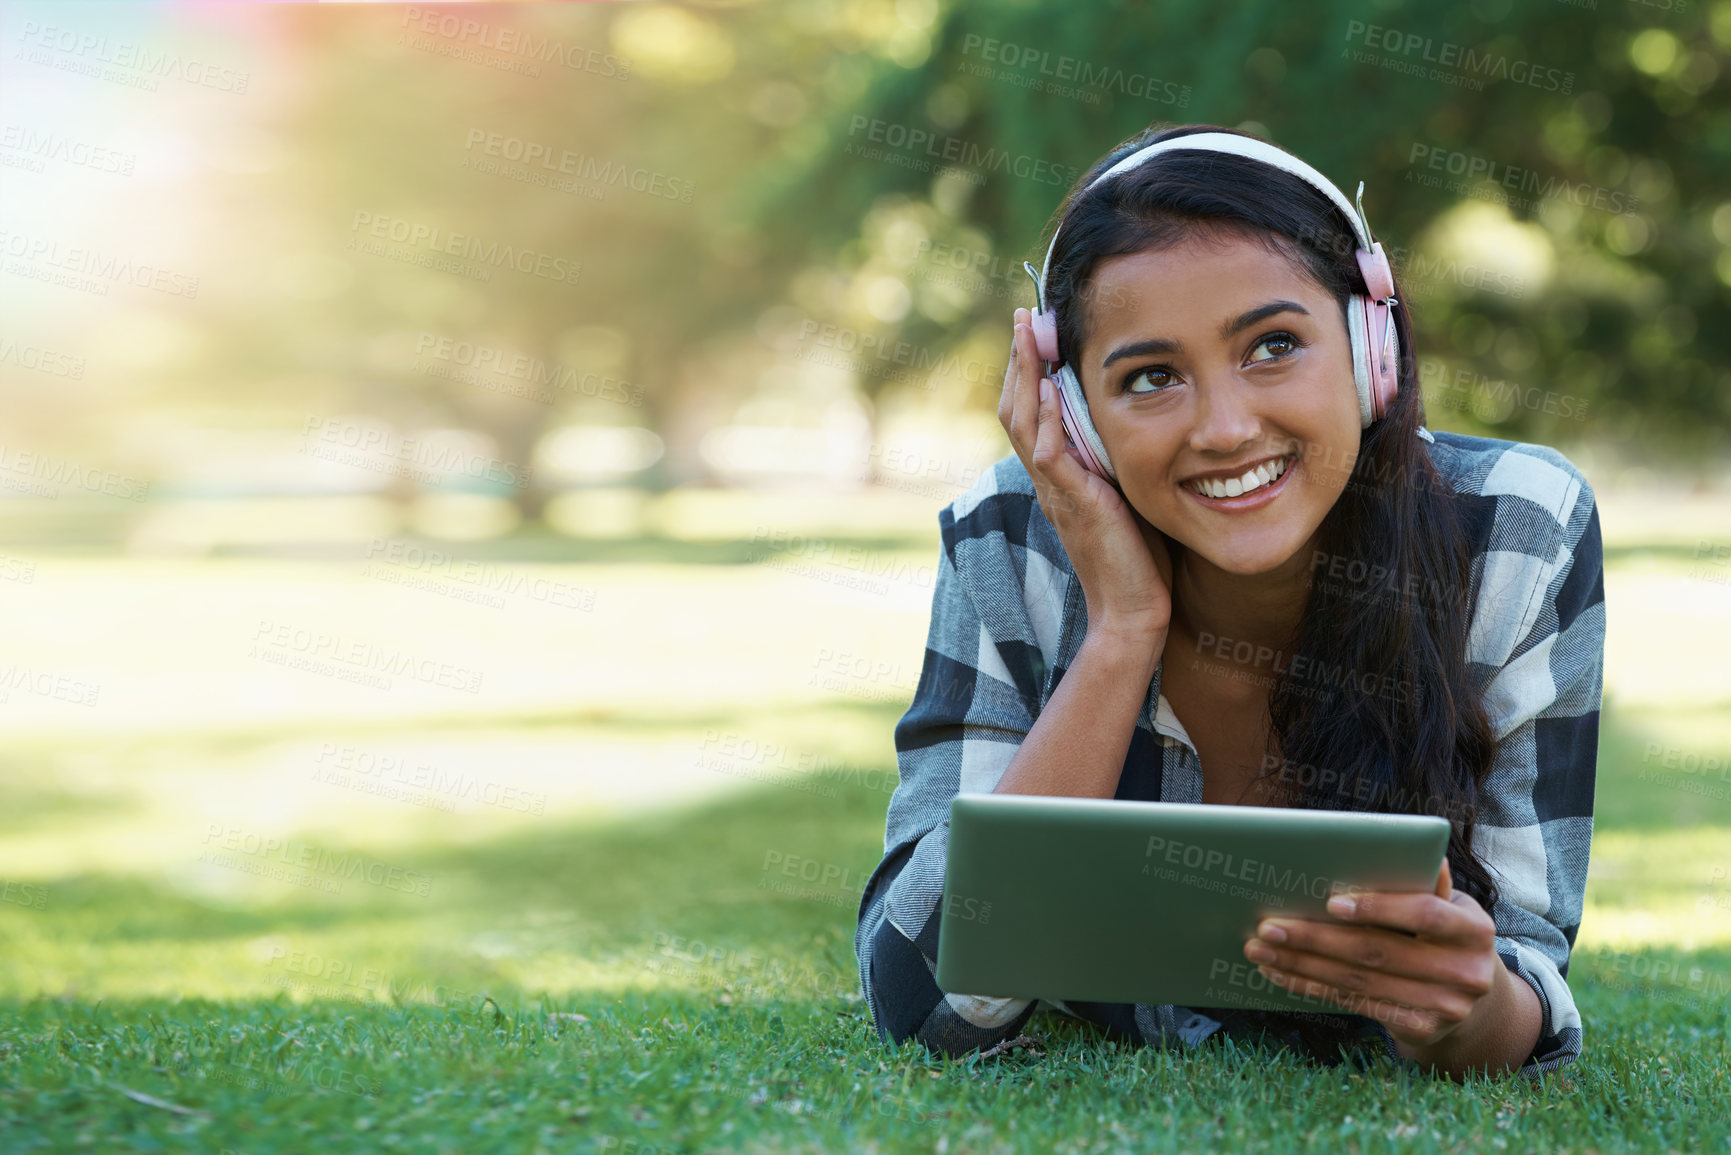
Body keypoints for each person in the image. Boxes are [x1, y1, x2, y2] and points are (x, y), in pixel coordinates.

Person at [852, 123, 1605, 1081]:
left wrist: (1460, 1008)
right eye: (1150, 377)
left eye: (1273, 345)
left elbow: (1522, 981)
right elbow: (920, 1001)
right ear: (1074, 414)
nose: (1224, 427)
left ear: (1372, 348)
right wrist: (1122, 631)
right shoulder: (1006, 536)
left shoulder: (1516, 531)